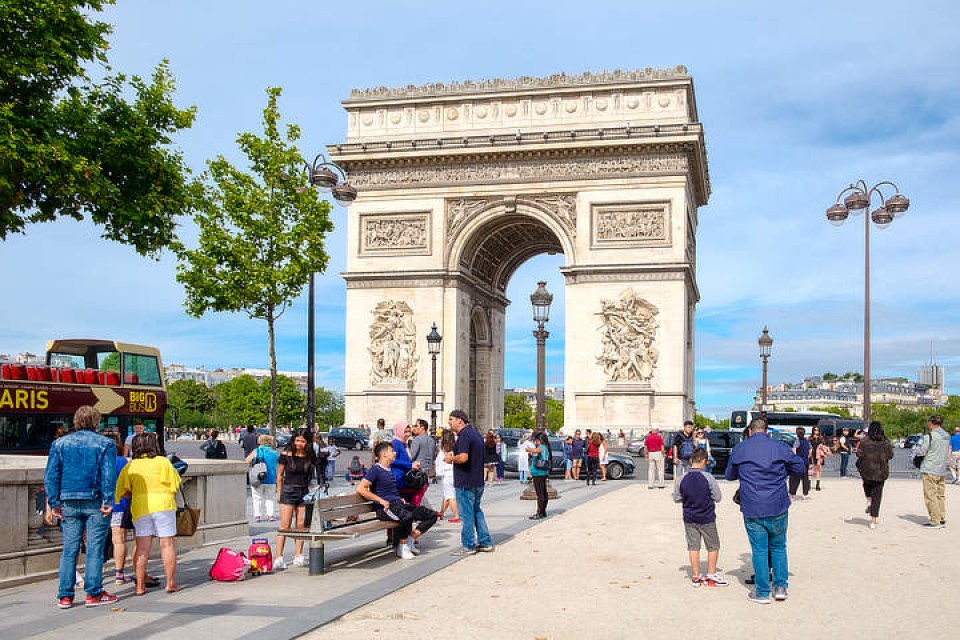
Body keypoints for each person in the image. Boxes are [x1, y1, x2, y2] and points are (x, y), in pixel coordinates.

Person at [44, 405, 118, 609]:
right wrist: (108, 501)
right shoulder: (105, 444)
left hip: (67, 501)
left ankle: (65, 596)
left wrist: (54, 503)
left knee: (70, 549)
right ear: (96, 422)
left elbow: (51, 476)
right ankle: (93, 594)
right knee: (95, 549)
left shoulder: (59, 444)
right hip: (95, 501)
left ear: (76, 421)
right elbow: (109, 475)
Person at [726, 417, 806, 604]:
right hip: (777, 502)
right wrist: (781, 471)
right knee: (779, 546)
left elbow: (729, 475)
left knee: (759, 549)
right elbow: (800, 467)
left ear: (751, 431)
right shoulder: (780, 447)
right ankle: (780, 587)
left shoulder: (740, 449)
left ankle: (762, 592)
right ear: (767, 431)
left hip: (753, 504)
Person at [116, 432, 183, 595]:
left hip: (141, 507)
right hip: (163, 505)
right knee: (167, 544)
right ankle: (170, 583)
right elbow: (174, 487)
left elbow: (123, 491)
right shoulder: (164, 463)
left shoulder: (131, 465)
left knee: (142, 548)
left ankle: (139, 586)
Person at [356, 442, 438, 560]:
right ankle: (403, 547)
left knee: (431, 515)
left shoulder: (389, 470)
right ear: (384, 454)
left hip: (397, 505)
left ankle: (410, 539)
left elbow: (389, 490)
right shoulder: (375, 470)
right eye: (391, 451)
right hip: (385, 509)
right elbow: (360, 488)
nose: (394, 453)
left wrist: (399, 498)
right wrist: (381, 500)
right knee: (406, 516)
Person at [674, 448, 727, 587]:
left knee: (693, 546)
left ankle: (696, 576)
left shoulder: (682, 478)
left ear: (691, 461)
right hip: (707, 517)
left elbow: (677, 498)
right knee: (713, 546)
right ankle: (711, 575)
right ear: (704, 461)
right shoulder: (708, 477)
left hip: (689, 517)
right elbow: (718, 497)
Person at [445, 409, 494, 555]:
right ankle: (485, 542)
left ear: (460, 420)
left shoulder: (464, 435)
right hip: (477, 480)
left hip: (466, 481)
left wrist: (451, 459)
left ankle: (468, 545)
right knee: (477, 511)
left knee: (466, 514)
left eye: (451, 419)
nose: (449, 422)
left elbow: (464, 458)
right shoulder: (476, 434)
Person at [275, 429, 319, 569]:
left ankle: (298, 555)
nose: (299, 443)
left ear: (307, 443)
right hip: (288, 490)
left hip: (303, 491)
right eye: (297, 440)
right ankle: (279, 557)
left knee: (300, 525)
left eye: (303, 441)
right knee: (285, 526)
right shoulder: (286, 455)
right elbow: (279, 476)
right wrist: (279, 493)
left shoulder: (309, 456)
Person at [855, 421, 894, 529]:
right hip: (881, 471)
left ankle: (868, 500)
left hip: (867, 470)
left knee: (866, 485)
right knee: (877, 495)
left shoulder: (864, 441)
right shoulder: (886, 442)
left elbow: (859, 454)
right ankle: (873, 520)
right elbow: (890, 455)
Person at [916, 414, 950, 528]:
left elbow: (922, 451)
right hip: (941, 468)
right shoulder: (947, 435)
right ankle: (941, 517)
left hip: (930, 467)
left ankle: (935, 520)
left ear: (932, 423)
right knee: (940, 495)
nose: (928, 425)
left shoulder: (929, 436)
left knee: (930, 495)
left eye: (929, 422)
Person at [245, 434, 280, 522]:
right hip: (271, 478)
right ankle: (271, 515)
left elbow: (247, 460)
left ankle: (257, 515)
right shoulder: (274, 453)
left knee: (257, 497)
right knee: (270, 497)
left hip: (258, 478)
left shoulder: (257, 451)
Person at [434, 429, 459, 522]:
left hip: (447, 475)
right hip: (454, 473)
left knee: (450, 496)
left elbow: (438, 462)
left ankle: (456, 515)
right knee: (447, 494)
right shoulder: (455, 449)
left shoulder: (443, 450)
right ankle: (441, 513)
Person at [409, 418, 436, 504]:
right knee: (421, 493)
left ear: (422, 427)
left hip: (418, 470)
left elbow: (411, 456)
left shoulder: (417, 439)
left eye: (416, 426)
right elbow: (433, 455)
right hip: (427, 469)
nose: (414, 428)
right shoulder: (431, 440)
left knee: (415, 494)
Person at [527, 431, 551, 519]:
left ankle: (539, 512)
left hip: (538, 473)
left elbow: (536, 450)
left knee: (540, 493)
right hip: (541, 473)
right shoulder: (545, 447)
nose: (535, 442)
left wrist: (528, 449)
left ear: (540, 440)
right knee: (543, 492)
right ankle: (543, 511)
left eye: (536, 440)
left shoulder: (542, 447)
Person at [788, 427, 812, 501]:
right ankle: (805, 494)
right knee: (805, 479)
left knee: (794, 479)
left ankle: (792, 493)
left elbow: (794, 449)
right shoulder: (807, 441)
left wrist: (795, 458)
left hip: (798, 462)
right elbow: (811, 449)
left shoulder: (797, 441)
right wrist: (808, 456)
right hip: (806, 461)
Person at [810, 426, 831, 491]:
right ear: (813, 431)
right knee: (811, 470)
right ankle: (808, 484)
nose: (816, 431)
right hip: (812, 454)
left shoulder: (821, 438)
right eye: (815, 430)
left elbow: (824, 446)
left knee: (818, 469)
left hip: (819, 455)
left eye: (817, 430)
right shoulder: (810, 438)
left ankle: (817, 484)